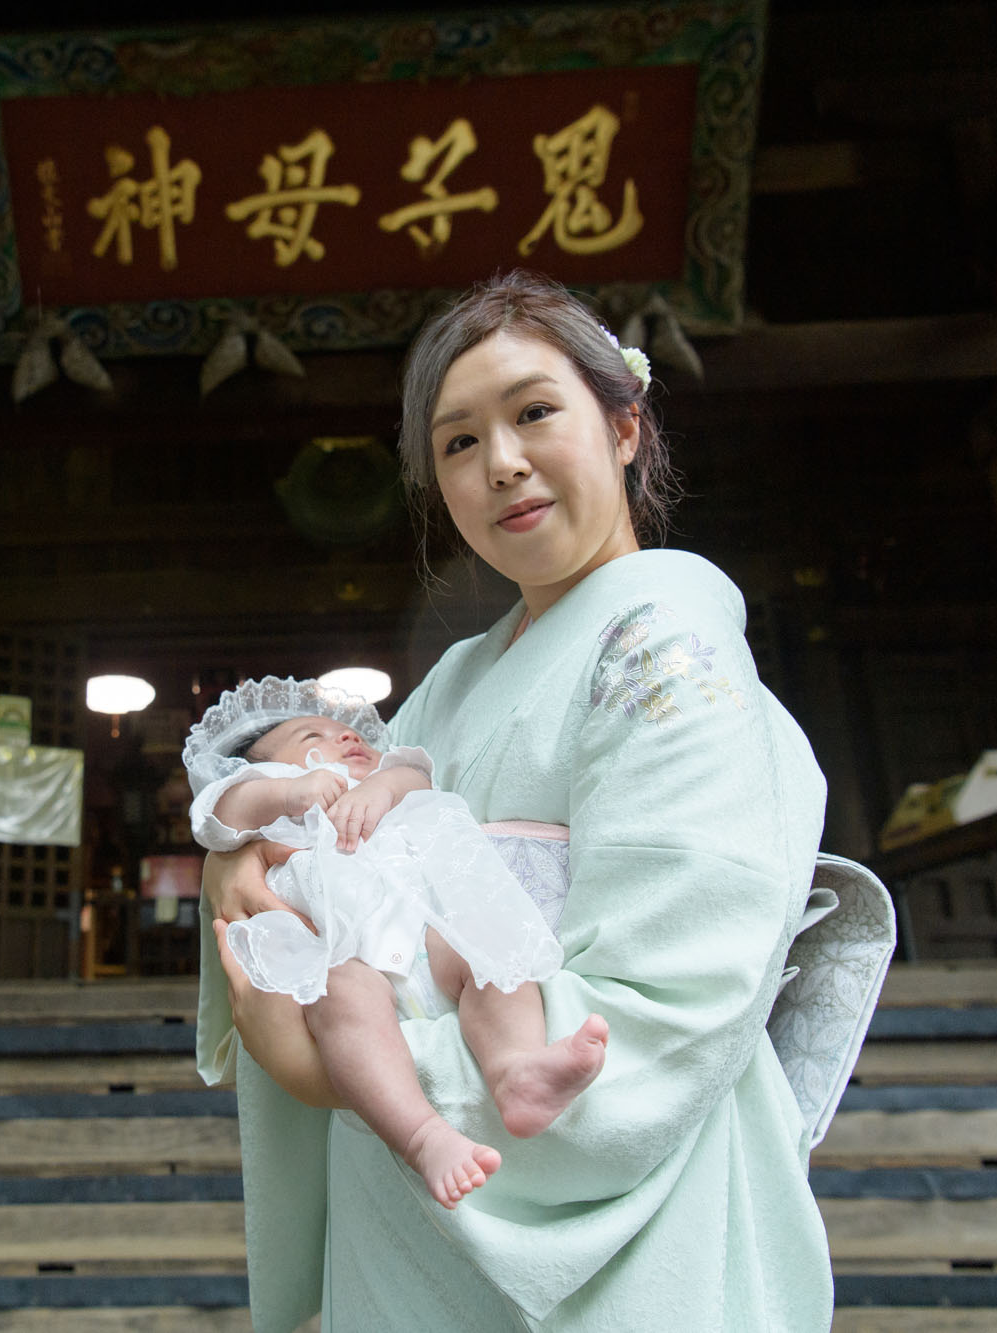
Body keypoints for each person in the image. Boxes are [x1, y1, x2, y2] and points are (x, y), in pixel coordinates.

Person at [195, 270, 834, 1331]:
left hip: (628, 1230)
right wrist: (238, 856)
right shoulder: (446, 685)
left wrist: (359, 1077)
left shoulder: (665, 646)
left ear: (624, 426)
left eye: (534, 412)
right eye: (456, 442)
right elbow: (327, 864)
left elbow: (669, 998)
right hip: (402, 1220)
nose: (500, 463)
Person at [182, 678, 608, 1208]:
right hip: (348, 959)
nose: (342, 739)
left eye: (348, 732)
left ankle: (516, 1067)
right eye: (313, 734)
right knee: (345, 1002)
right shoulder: (274, 804)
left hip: (431, 938)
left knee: (489, 958)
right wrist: (288, 792)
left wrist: (380, 788)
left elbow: (414, 777)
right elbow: (221, 812)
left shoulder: (390, 782)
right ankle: (423, 1136)